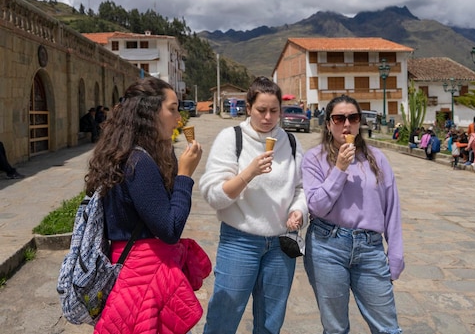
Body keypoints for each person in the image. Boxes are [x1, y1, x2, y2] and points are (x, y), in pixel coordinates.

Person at [86, 76, 209, 333]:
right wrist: (185, 176)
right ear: (149, 112)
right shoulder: (138, 163)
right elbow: (169, 229)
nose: (178, 118)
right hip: (142, 275)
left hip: (130, 266)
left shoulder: (126, 154)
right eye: (172, 109)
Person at [199, 76, 308, 334]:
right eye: (261, 110)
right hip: (240, 242)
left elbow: (302, 188)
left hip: (280, 245)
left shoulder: (291, 143)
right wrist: (248, 173)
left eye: (274, 111)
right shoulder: (231, 138)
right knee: (223, 319)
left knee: (270, 323)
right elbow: (213, 194)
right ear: (248, 108)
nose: (268, 117)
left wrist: (298, 210)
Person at [302, 94, 405, 334]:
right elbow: (316, 207)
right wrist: (339, 168)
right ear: (328, 124)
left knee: (388, 327)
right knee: (336, 328)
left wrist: (396, 255)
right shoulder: (314, 159)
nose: (346, 124)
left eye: (353, 118)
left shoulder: (377, 159)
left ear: (360, 123)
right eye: (339, 118)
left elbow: (392, 208)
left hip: (370, 249)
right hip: (327, 247)